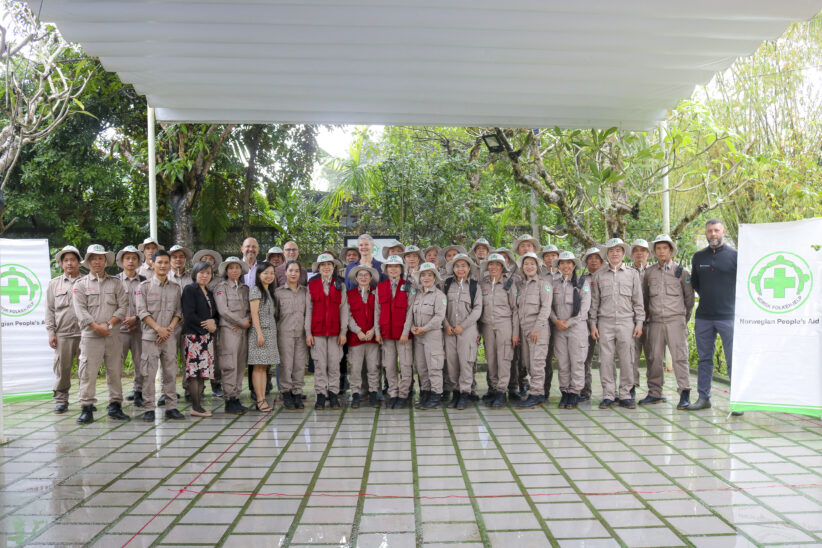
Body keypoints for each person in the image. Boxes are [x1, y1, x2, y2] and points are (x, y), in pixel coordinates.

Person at [73, 244, 129, 424]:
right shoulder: (80, 284)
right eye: (93, 258)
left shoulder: (116, 283)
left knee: (115, 371)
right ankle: (87, 408)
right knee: (88, 372)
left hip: (113, 335)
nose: (97, 261)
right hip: (91, 336)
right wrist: (96, 326)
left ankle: (115, 406)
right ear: (88, 261)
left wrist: (109, 324)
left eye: (100, 258)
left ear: (106, 261)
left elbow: (123, 306)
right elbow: (80, 309)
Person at [690, 219, 739, 414]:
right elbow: (696, 284)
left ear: (723, 232)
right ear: (705, 233)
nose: (713, 234)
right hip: (704, 317)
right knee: (704, 359)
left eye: (716, 230)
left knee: (733, 359)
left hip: (728, 316)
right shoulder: (698, 257)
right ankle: (704, 398)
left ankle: (736, 402)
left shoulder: (735, 256)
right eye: (709, 231)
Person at [589, 238, 644, 409]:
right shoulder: (599, 275)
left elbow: (638, 302)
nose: (614, 253)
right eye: (611, 251)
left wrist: (639, 323)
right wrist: (593, 325)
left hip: (627, 322)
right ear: (607, 254)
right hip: (605, 323)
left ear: (623, 253)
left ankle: (626, 394)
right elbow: (594, 303)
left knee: (628, 359)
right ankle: (608, 394)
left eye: (618, 250)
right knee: (605, 360)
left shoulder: (632, 274)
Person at [641, 234, 695, 410]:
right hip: (655, 321)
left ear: (671, 251)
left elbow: (689, 299)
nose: (661, 251)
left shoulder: (681, 272)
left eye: (665, 248)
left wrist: (682, 319)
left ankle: (684, 393)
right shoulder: (649, 273)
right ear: (654, 251)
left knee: (680, 357)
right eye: (658, 248)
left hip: (675, 321)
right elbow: (645, 298)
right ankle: (655, 393)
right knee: (654, 357)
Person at [136, 250, 184, 421]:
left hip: (169, 337)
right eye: (160, 262)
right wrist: (158, 328)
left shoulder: (175, 288)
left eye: (166, 262)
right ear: (153, 264)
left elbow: (178, 312)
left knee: (170, 372)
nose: (163, 266)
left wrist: (168, 329)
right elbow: (141, 312)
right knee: (148, 373)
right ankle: (149, 408)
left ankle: (171, 407)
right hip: (150, 337)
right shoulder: (144, 287)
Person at [306, 253, 349, 410]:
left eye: (329, 265)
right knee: (320, 365)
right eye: (323, 265)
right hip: (317, 333)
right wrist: (308, 333)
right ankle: (320, 395)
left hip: (335, 333)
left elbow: (344, 309)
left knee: (334, 365)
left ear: (333, 267)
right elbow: (308, 310)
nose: (326, 267)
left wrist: (343, 332)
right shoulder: (312, 285)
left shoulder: (340, 285)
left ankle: (333, 394)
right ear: (318, 268)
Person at [550, 251, 591, 410]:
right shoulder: (554, 283)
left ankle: (575, 392)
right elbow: (549, 306)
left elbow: (584, 309)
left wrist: (569, 323)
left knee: (577, 361)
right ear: (558, 266)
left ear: (574, 265)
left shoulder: (582, 283)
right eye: (562, 263)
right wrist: (555, 320)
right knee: (562, 362)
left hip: (576, 328)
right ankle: (565, 391)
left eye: (569, 263)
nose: (565, 266)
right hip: (559, 328)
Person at [478, 253, 519, 409]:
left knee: (504, 359)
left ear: (502, 267)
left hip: (504, 324)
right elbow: (479, 308)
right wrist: (479, 331)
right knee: (491, 358)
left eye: (497, 264)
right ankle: (494, 389)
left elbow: (515, 309)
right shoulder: (484, 283)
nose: (493, 267)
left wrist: (515, 333)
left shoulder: (509, 283)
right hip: (487, 325)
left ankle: (502, 391)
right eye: (491, 264)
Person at [45, 245, 83, 414]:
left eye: (72, 260)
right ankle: (61, 401)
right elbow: (50, 310)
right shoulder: (54, 284)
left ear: (79, 262)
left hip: (85, 334)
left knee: (86, 369)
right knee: (62, 369)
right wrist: (51, 333)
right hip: (63, 334)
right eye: (66, 260)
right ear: (61, 264)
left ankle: (86, 400)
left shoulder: (87, 281)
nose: (69, 263)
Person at [443, 253, 482, 410]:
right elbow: (441, 307)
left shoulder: (474, 286)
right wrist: (446, 324)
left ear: (469, 268)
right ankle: (456, 392)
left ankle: (465, 393)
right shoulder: (446, 284)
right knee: (451, 362)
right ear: (453, 268)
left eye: (463, 266)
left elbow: (477, 309)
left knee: (465, 361)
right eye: (457, 266)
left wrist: (463, 326)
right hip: (450, 330)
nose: (460, 269)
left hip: (467, 330)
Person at [375, 255, 415, 409]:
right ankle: (393, 393)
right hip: (386, 334)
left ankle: (403, 395)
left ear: (401, 269)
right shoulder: (381, 287)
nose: (393, 269)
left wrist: (406, 332)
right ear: (386, 270)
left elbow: (411, 311)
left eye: (396, 266)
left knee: (405, 365)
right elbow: (377, 311)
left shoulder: (408, 286)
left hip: (403, 335)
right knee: (389, 365)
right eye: (390, 266)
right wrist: (377, 332)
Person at [181, 260, 219, 417]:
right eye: (202, 272)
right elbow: (189, 315)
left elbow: (215, 315)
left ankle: (199, 406)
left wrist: (214, 323)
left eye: (208, 273)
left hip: (206, 338)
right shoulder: (190, 289)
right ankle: (195, 407)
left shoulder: (209, 292)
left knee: (203, 372)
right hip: (194, 337)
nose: (205, 276)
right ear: (195, 273)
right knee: (194, 373)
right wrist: (207, 326)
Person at [515, 252, 552, 408]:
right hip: (524, 329)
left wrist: (537, 328)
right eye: (526, 264)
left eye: (532, 263)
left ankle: (536, 394)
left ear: (537, 266)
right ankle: (539, 394)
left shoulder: (543, 284)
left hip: (539, 328)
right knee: (528, 363)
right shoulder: (522, 286)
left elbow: (546, 307)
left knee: (537, 363)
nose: (529, 266)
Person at [214, 256, 251, 414]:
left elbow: (250, 309)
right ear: (226, 271)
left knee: (240, 364)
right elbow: (223, 310)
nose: (234, 270)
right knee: (229, 364)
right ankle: (229, 399)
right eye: (231, 268)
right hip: (229, 330)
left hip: (242, 331)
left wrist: (246, 321)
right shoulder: (221, 287)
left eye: (237, 268)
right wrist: (240, 321)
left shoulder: (245, 288)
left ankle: (236, 396)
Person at [411, 262, 447, 410]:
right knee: (422, 367)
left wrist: (424, 329)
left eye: (429, 275)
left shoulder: (440, 296)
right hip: (418, 337)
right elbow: (412, 314)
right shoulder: (418, 295)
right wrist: (413, 327)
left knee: (434, 367)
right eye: (423, 275)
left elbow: (439, 317)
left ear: (434, 277)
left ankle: (436, 395)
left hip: (432, 335)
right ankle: (425, 393)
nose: (426, 278)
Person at [116, 246, 146, 407]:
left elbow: (149, 306)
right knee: (115, 364)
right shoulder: (114, 280)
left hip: (139, 329)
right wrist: (121, 320)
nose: (130, 261)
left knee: (140, 363)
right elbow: (109, 305)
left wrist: (136, 319)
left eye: (134, 258)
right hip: (119, 331)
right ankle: (115, 397)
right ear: (121, 261)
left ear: (138, 261)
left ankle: (138, 392)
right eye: (127, 258)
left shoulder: (144, 281)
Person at [346, 264, 380, 408]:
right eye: (360, 275)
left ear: (371, 278)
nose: (364, 277)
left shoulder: (376, 293)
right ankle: (355, 394)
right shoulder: (350, 294)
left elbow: (380, 313)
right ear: (356, 278)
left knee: (373, 367)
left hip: (372, 337)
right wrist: (357, 330)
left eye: (367, 275)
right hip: (356, 338)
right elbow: (347, 315)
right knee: (355, 368)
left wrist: (373, 330)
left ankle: (373, 394)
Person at [275, 260, 308, 410]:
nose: (293, 273)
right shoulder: (278, 293)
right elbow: (275, 315)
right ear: (285, 273)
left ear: (300, 274)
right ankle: (286, 392)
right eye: (291, 271)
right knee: (286, 364)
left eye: (296, 271)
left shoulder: (306, 292)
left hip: (301, 333)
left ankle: (297, 392)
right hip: (284, 333)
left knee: (299, 364)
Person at [248, 261, 280, 413]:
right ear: (259, 275)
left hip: (270, 333)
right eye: (265, 273)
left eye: (272, 273)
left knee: (263, 367)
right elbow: (254, 314)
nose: (269, 276)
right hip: (259, 333)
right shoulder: (256, 290)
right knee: (258, 367)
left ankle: (263, 398)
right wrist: (259, 333)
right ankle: (260, 400)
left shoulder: (269, 291)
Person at [193, 249, 224, 396]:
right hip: (197, 323)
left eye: (210, 259)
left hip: (216, 321)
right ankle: (195, 388)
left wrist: (215, 321)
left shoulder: (220, 280)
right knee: (196, 356)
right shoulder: (194, 281)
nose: (207, 261)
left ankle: (216, 384)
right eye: (203, 258)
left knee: (216, 355)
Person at [168, 244, 193, 404]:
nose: (178, 259)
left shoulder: (192, 277)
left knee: (189, 358)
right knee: (168, 358)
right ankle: (168, 391)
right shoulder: (165, 276)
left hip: (189, 324)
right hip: (170, 325)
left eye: (181, 257)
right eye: (175, 256)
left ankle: (190, 389)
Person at [580, 245, 605, 401]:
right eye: (590, 258)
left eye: (597, 258)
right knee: (585, 358)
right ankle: (584, 390)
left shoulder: (608, 276)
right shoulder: (582, 279)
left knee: (607, 359)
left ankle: (610, 393)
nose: (594, 260)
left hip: (606, 322)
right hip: (586, 323)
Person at [630, 238, 652, 396]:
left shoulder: (654, 271)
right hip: (632, 322)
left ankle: (654, 391)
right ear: (631, 254)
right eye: (636, 250)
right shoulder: (627, 272)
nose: (639, 253)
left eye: (643, 250)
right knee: (632, 356)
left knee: (653, 356)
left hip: (652, 321)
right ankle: (631, 388)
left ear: (648, 253)